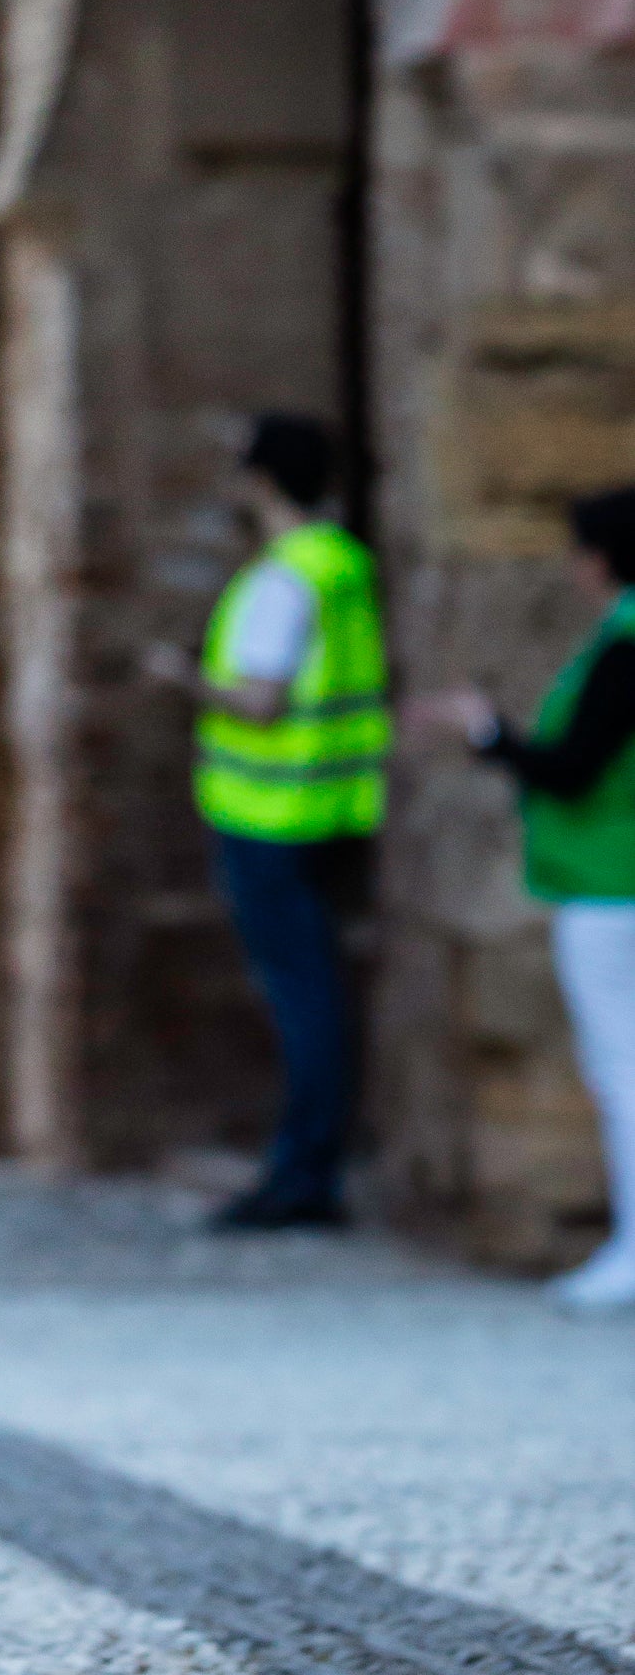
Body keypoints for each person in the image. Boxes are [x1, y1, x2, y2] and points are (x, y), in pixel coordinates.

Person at [145, 409, 388, 1233]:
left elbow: (259, 699)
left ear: (258, 481)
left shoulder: (283, 577)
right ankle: (309, 1162)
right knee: (319, 994)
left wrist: (182, 678)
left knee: (304, 1000)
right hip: (331, 805)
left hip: (269, 812)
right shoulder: (342, 564)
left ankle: (301, 1173)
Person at [413, 485, 635, 1315]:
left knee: (624, 1072)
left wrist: (486, 734)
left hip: (612, 883)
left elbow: (572, 766)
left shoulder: (623, 645)